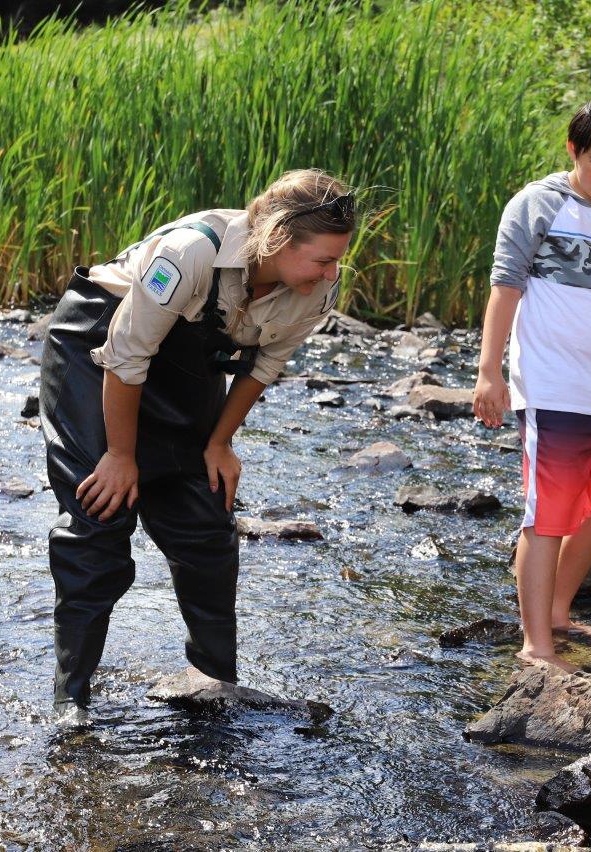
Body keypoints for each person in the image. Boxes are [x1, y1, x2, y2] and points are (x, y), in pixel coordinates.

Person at [39, 169, 356, 724]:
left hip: (184, 367)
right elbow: (126, 356)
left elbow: (262, 367)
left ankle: (214, 684)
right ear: (279, 240)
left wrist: (219, 443)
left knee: (207, 519)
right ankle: (73, 699)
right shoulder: (189, 253)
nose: (333, 274)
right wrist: (120, 456)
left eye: (338, 260)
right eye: (323, 260)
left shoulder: (315, 288)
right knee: (101, 515)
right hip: (99, 352)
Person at [472, 96, 591, 673]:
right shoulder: (537, 205)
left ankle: (557, 608)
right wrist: (489, 372)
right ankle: (537, 646)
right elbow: (504, 289)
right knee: (547, 515)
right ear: (574, 149)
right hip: (550, 390)